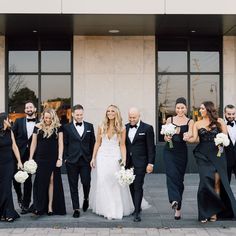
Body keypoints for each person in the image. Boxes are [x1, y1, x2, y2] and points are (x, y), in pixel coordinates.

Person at [184, 101, 236, 223]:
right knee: (205, 181)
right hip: (202, 155)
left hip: (218, 155)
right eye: (200, 108)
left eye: (202, 108)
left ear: (208, 110)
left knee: (217, 183)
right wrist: (187, 138)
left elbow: (225, 137)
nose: (200, 110)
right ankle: (204, 212)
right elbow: (194, 139)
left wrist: (222, 141)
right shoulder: (196, 124)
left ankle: (214, 212)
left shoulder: (220, 121)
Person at [90, 105, 134, 220]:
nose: (110, 113)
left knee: (114, 182)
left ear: (117, 113)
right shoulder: (101, 125)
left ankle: (116, 208)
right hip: (102, 156)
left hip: (115, 156)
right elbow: (97, 143)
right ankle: (106, 209)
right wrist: (93, 158)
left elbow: (123, 145)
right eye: (108, 111)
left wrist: (124, 160)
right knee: (103, 181)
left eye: (112, 111)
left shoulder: (122, 128)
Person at [29, 108, 66, 215]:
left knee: (51, 180)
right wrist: (31, 158)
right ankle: (38, 206)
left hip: (53, 158)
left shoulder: (58, 128)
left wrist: (60, 158)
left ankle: (50, 206)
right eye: (46, 118)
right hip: (41, 158)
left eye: (50, 118)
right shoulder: (37, 127)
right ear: (43, 117)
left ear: (53, 117)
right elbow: (33, 144)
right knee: (40, 182)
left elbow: (61, 144)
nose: (48, 120)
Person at [163, 97, 194, 220]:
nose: (180, 110)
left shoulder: (190, 121)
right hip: (169, 151)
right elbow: (165, 136)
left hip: (181, 152)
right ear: (175, 108)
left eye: (182, 108)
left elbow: (191, 134)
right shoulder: (169, 119)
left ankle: (178, 209)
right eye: (178, 107)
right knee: (171, 175)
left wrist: (188, 136)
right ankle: (174, 199)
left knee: (179, 179)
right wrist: (167, 138)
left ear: (186, 108)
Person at [63, 104, 95, 218]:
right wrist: (66, 158)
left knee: (86, 182)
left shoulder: (90, 126)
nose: (79, 117)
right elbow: (65, 144)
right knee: (73, 185)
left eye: (81, 114)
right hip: (72, 160)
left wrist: (93, 158)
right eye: (77, 115)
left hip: (86, 160)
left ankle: (86, 198)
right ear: (72, 114)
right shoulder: (66, 127)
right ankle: (76, 208)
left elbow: (93, 143)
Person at [125, 107, 155, 222]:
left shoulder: (147, 128)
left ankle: (137, 212)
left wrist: (150, 163)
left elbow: (151, 148)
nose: (132, 119)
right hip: (128, 163)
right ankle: (136, 207)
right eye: (130, 117)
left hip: (141, 163)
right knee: (131, 186)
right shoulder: (125, 127)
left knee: (138, 185)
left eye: (134, 117)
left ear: (139, 116)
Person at [12, 101, 37, 214]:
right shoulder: (18, 121)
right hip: (19, 154)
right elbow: (12, 138)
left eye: (31, 107)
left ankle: (25, 205)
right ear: (25, 110)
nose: (29, 109)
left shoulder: (40, 122)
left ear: (35, 109)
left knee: (28, 180)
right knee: (16, 178)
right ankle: (19, 196)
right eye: (27, 107)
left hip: (33, 155)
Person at [0, 112, 23, 222]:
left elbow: (14, 146)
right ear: (4, 121)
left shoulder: (10, 132)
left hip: (9, 163)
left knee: (7, 188)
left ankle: (9, 213)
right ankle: (2, 213)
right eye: (8, 119)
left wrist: (19, 161)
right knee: (2, 189)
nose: (10, 121)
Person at [224, 104, 236, 183]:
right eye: (229, 114)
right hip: (225, 160)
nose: (231, 116)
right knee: (225, 185)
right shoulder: (220, 126)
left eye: (233, 114)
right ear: (224, 113)